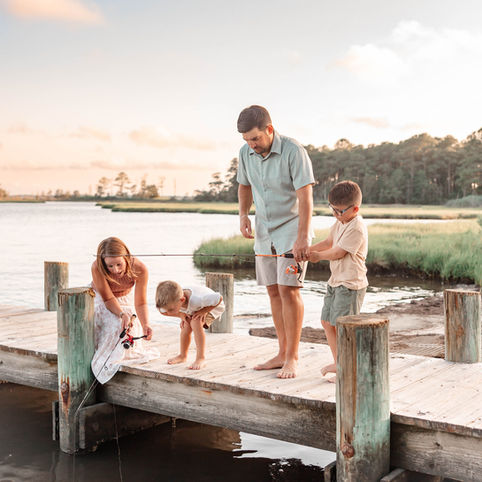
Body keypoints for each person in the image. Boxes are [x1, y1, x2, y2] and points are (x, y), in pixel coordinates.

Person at [236, 105, 314, 379]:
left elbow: (305, 198)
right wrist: (243, 214)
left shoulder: (294, 151)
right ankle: (281, 352)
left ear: (269, 129)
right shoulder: (245, 153)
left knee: (289, 290)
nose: (251, 145)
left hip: (292, 230)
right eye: (247, 140)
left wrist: (302, 238)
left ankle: (292, 357)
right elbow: (244, 185)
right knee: (272, 291)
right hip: (263, 231)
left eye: (255, 138)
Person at [308, 180, 368, 381]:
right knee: (327, 322)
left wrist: (317, 257)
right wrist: (307, 250)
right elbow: (328, 242)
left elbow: (338, 252)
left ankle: (348, 371)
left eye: (339, 211)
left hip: (350, 284)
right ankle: (339, 363)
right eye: (332, 209)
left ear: (355, 209)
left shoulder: (357, 227)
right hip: (335, 281)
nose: (335, 214)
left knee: (344, 328)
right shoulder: (340, 222)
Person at [90, 237, 158, 384]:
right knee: (116, 325)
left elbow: (140, 302)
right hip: (102, 299)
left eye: (119, 264)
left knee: (131, 328)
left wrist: (146, 324)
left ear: (126, 258)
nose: (115, 270)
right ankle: (105, 364)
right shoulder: (97, 267)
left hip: (125, 299)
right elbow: (108, 299)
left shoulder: (140, 268)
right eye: (110, 266)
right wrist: (121, 314)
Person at [156, 280, 225, 370]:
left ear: (182, 300)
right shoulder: (171, 303)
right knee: (186, 326)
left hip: (211, 307)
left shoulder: (197, 299)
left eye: (171, 310)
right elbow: (163, 312)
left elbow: (219, 298)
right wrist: (181, 315)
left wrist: (204, 311)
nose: (169, 312)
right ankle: (183, 356)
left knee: (195, 322)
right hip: (194, 308)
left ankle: (201, 358)